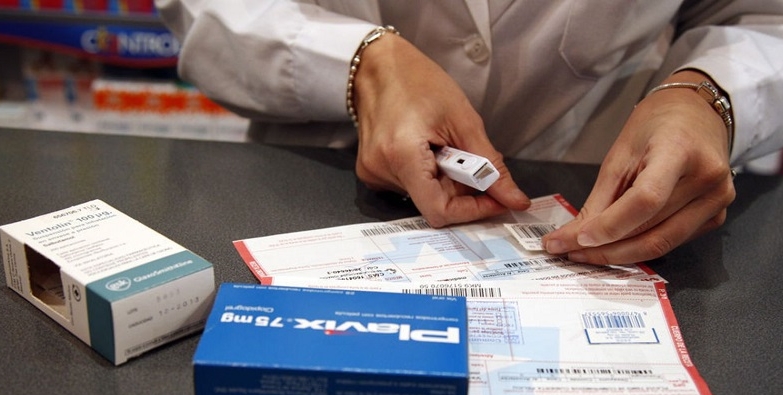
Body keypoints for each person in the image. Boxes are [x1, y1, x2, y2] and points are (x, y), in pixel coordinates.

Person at [155, 1, 783, 265]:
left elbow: (759, 16)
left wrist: (707, 96)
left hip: (604, 192)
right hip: (305, 185)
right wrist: (361, 63)